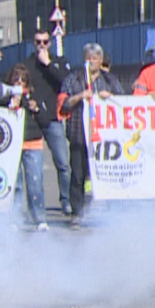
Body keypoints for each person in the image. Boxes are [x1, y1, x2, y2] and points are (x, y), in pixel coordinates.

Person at [57, 43, 122, 229]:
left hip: (105, 139)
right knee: (78, 175)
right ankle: (77, 212)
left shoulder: (108, 80)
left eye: (94, 58)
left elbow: (123, 100)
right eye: (88, 58)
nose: (91, 61)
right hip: (79, 133)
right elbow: (63, 104)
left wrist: (109, 96)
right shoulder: (74, 79)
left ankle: (111, 213)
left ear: (101, 61)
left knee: (108, 175)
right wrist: (79, 96)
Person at [27, 30, 75, 219]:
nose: (41, 45)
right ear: (33, 42)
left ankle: (66, 201)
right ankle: (35, 207)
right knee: (34, 169)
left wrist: (48, 64)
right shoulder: (27, 64)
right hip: (33, 120)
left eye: (45, 42)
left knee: (63, 164)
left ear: (50, 43)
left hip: (53, 119)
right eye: (38, 41)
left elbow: (66, 81)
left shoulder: (59, 62)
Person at [4, 62, 53, 230]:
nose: (19, 82)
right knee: (15, 184)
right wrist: (12, 104)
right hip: (12, 145)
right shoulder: (5, 97)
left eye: (23, 79)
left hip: (32, 142)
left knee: (35, 181)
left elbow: (46, 121)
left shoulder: (34, 95)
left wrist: (37, 109)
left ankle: (40, 218)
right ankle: (16, 218)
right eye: (16, 79)